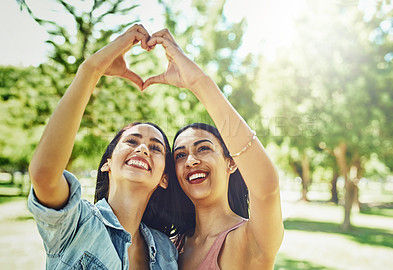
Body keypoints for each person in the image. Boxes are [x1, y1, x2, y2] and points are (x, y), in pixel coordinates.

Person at [28, 24, 178, 269]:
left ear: (164, 178)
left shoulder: (167, 251)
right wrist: (91, 69)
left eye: (156, 148)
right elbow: (44, 175)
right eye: (131, 141)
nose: (142, 149)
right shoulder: (77, 223)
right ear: (107, 162)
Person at [142, 29, 284, 269]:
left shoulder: (249, 239)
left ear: (231, 162)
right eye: (180, 155)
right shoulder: (167, 248)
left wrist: (198, 83)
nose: (191, 160)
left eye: (204, 148)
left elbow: (266, 187)